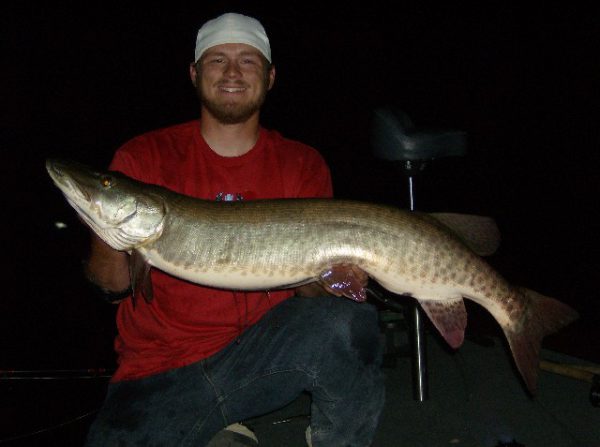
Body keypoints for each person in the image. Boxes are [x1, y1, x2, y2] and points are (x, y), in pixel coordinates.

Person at [84, 12, 385, 447]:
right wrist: (104, 223)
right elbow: (111, 286)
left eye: (247, 61)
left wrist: (334, 277)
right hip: (159, 370)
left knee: (349, 324)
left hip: (261, 356)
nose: (231, 73)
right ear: (194, 73)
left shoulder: (302, 163)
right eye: (217, 60)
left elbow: (308, 293)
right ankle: (222, 429)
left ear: (270, 76)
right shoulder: (142, 157)